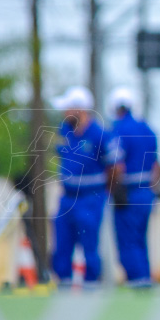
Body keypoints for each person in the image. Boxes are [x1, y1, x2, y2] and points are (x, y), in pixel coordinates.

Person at [50, 86, 120, 286]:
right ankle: (63, 283)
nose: (64, 113)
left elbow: (115, 167)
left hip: (91, 199)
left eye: (67, 109)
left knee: (90, 247)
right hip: (67, 199)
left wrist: (106, 191)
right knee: (62, 245)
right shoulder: (66, 132)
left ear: (79, 110)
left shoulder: (100, 134)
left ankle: (91, 287)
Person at [108, 87, 160, 288]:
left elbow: (117, 165)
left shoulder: (119, 130)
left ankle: (138, 283)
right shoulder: (148, 129)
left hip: (128, 194)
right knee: (140, 239)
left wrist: (113, 188)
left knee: (128, 242)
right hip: (146, 192)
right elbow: (156, 166)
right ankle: (145, 278)